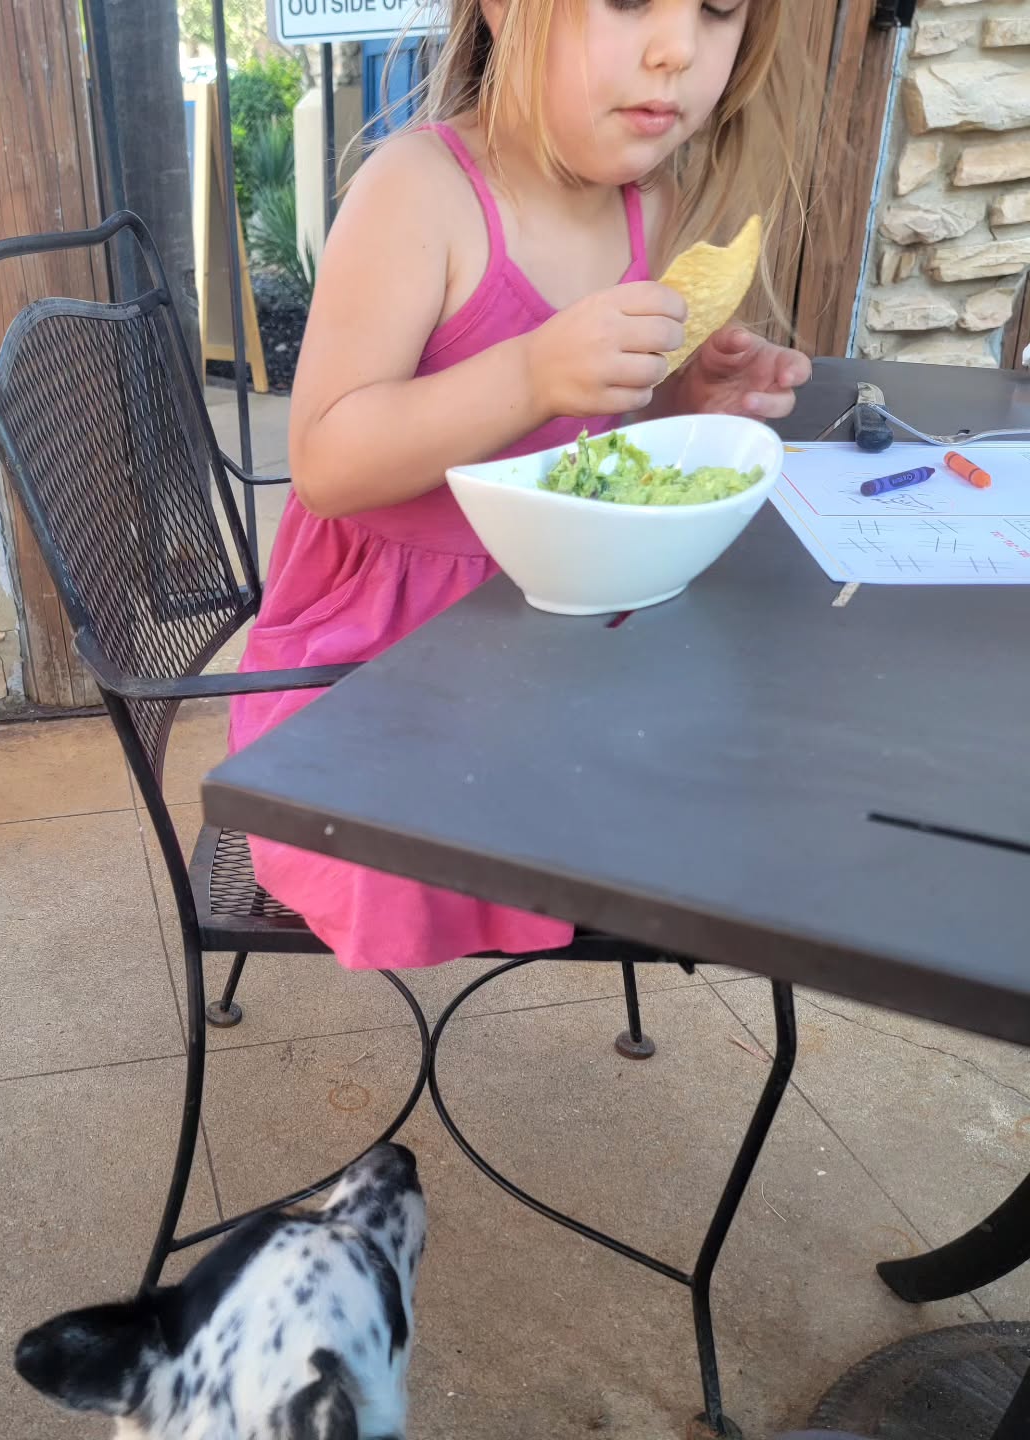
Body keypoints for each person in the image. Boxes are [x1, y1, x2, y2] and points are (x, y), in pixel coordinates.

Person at [229, 0, 812, 971]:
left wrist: (687, 402)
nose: (678, 48)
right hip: (374, 669)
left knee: (755, 789)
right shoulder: (417, 191)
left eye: (717, 9)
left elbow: (581, 452)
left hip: (546, 641)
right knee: (486, 837)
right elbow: (327, 462)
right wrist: (530, 371)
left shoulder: (655, 207)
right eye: (631, 2)